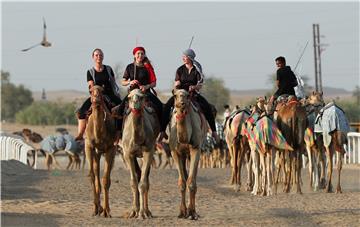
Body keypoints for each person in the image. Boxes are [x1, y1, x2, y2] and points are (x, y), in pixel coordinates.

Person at [158, 48, 218, 142]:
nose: (183, 58)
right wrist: (177, 85)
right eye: (183, 56)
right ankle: (162, 131)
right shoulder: (180, 70)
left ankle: (214, 132)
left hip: (193, 94)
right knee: (166, 107)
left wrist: (194, 87)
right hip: (180, 94)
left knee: (207, 107)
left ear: (190, 58)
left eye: (185, 56)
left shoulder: (196, 70)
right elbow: (176, 82)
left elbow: (200, 84)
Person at [75, 48, 122, 141]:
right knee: (81, 112)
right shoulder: (90, 72)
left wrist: (117, 93)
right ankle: (80, 133)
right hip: (96, 95)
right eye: (96, 55)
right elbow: (91, 85)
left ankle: (118, 133)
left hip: (109, 95)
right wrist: (97, 90)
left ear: (103, 57)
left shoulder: (108, 69)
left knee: (122, 109)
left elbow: (113, 82)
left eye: (100, 55)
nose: (99, 57)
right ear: (93, 57)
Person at [112, 46, 163, 123]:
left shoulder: (148, 67)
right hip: (133, 92)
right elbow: (123, 82)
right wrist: (130, 82)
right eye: (138, 53)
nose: (140, 55)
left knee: (160, 106)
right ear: (134, 55)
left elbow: (154, 83)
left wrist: (146, 86)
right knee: (120, 109)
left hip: (145, 93)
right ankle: (119, 131)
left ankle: (161, 130)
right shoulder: (130, 67)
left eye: (142, 54)